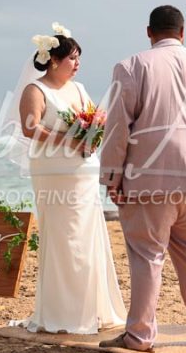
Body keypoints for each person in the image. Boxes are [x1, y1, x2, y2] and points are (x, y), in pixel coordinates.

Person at [98, 6, 186, 352]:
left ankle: (140, 335)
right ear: (183, 32)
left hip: (149, 179)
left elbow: (117, 125)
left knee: (147, 255)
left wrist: (112, 176)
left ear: (149, 32)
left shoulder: (131, 66)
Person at [13, 22, 126, 334]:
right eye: (72, 58)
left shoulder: (79, 89)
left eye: (78, 59)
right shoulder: (35, 90)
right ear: (53, 60)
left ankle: (93, 310)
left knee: (87, 235)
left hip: (83, 170)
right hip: (52, 171)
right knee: (64, 237)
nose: (77, 64)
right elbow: (30, 127)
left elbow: (93, 120)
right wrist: (70, 141)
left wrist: (93, 137)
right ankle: (64, 313)